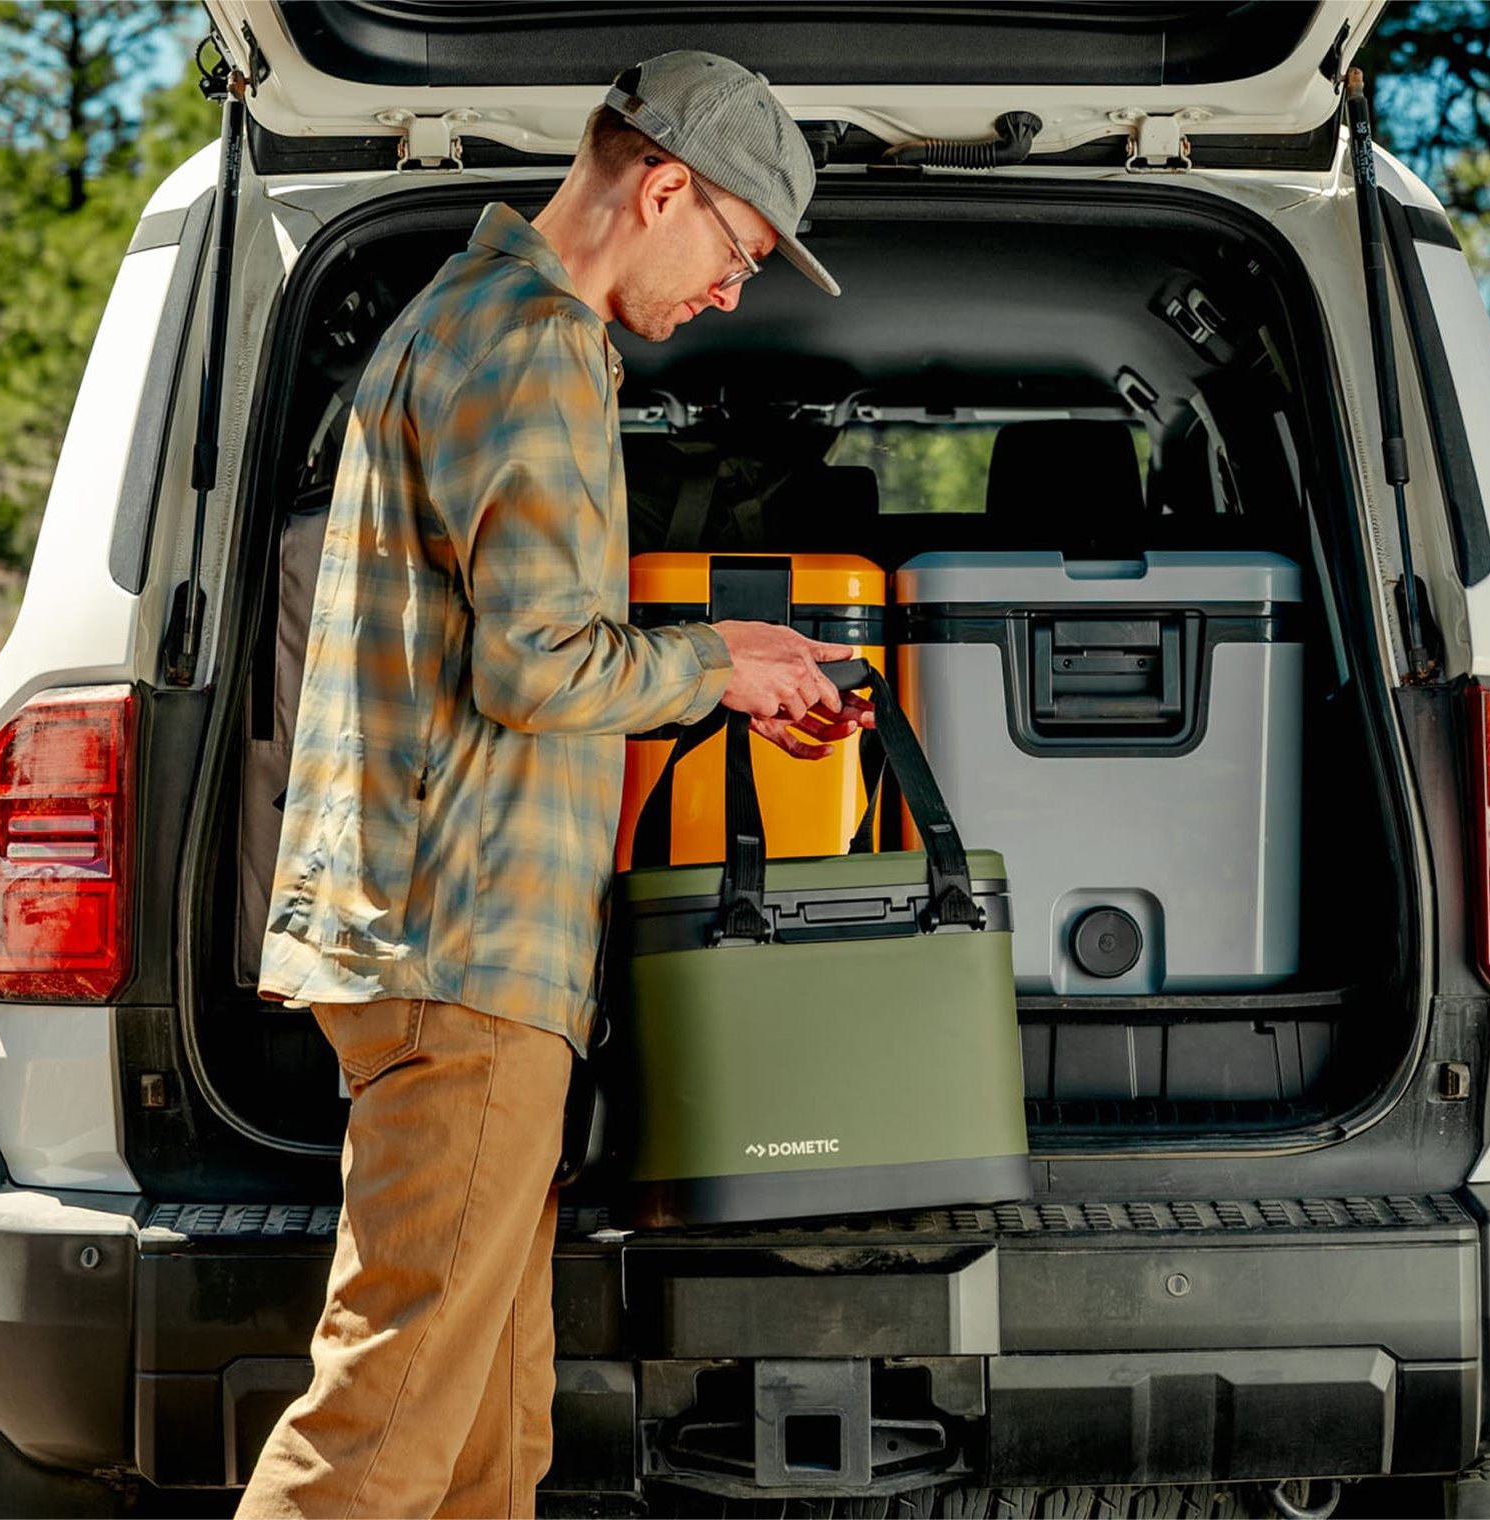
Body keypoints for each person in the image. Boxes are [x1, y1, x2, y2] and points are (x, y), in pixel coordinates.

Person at [238, 49, 856, 1519]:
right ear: (662, 189)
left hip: (439, 947)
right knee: (379, 1433)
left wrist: (723, 646)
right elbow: (536, 665)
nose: (732, 292)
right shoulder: (538, 345)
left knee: (483, 1441)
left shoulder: (458, 317)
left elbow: (511, 640)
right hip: (470, 953)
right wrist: (719, 668)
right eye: (740, 249)